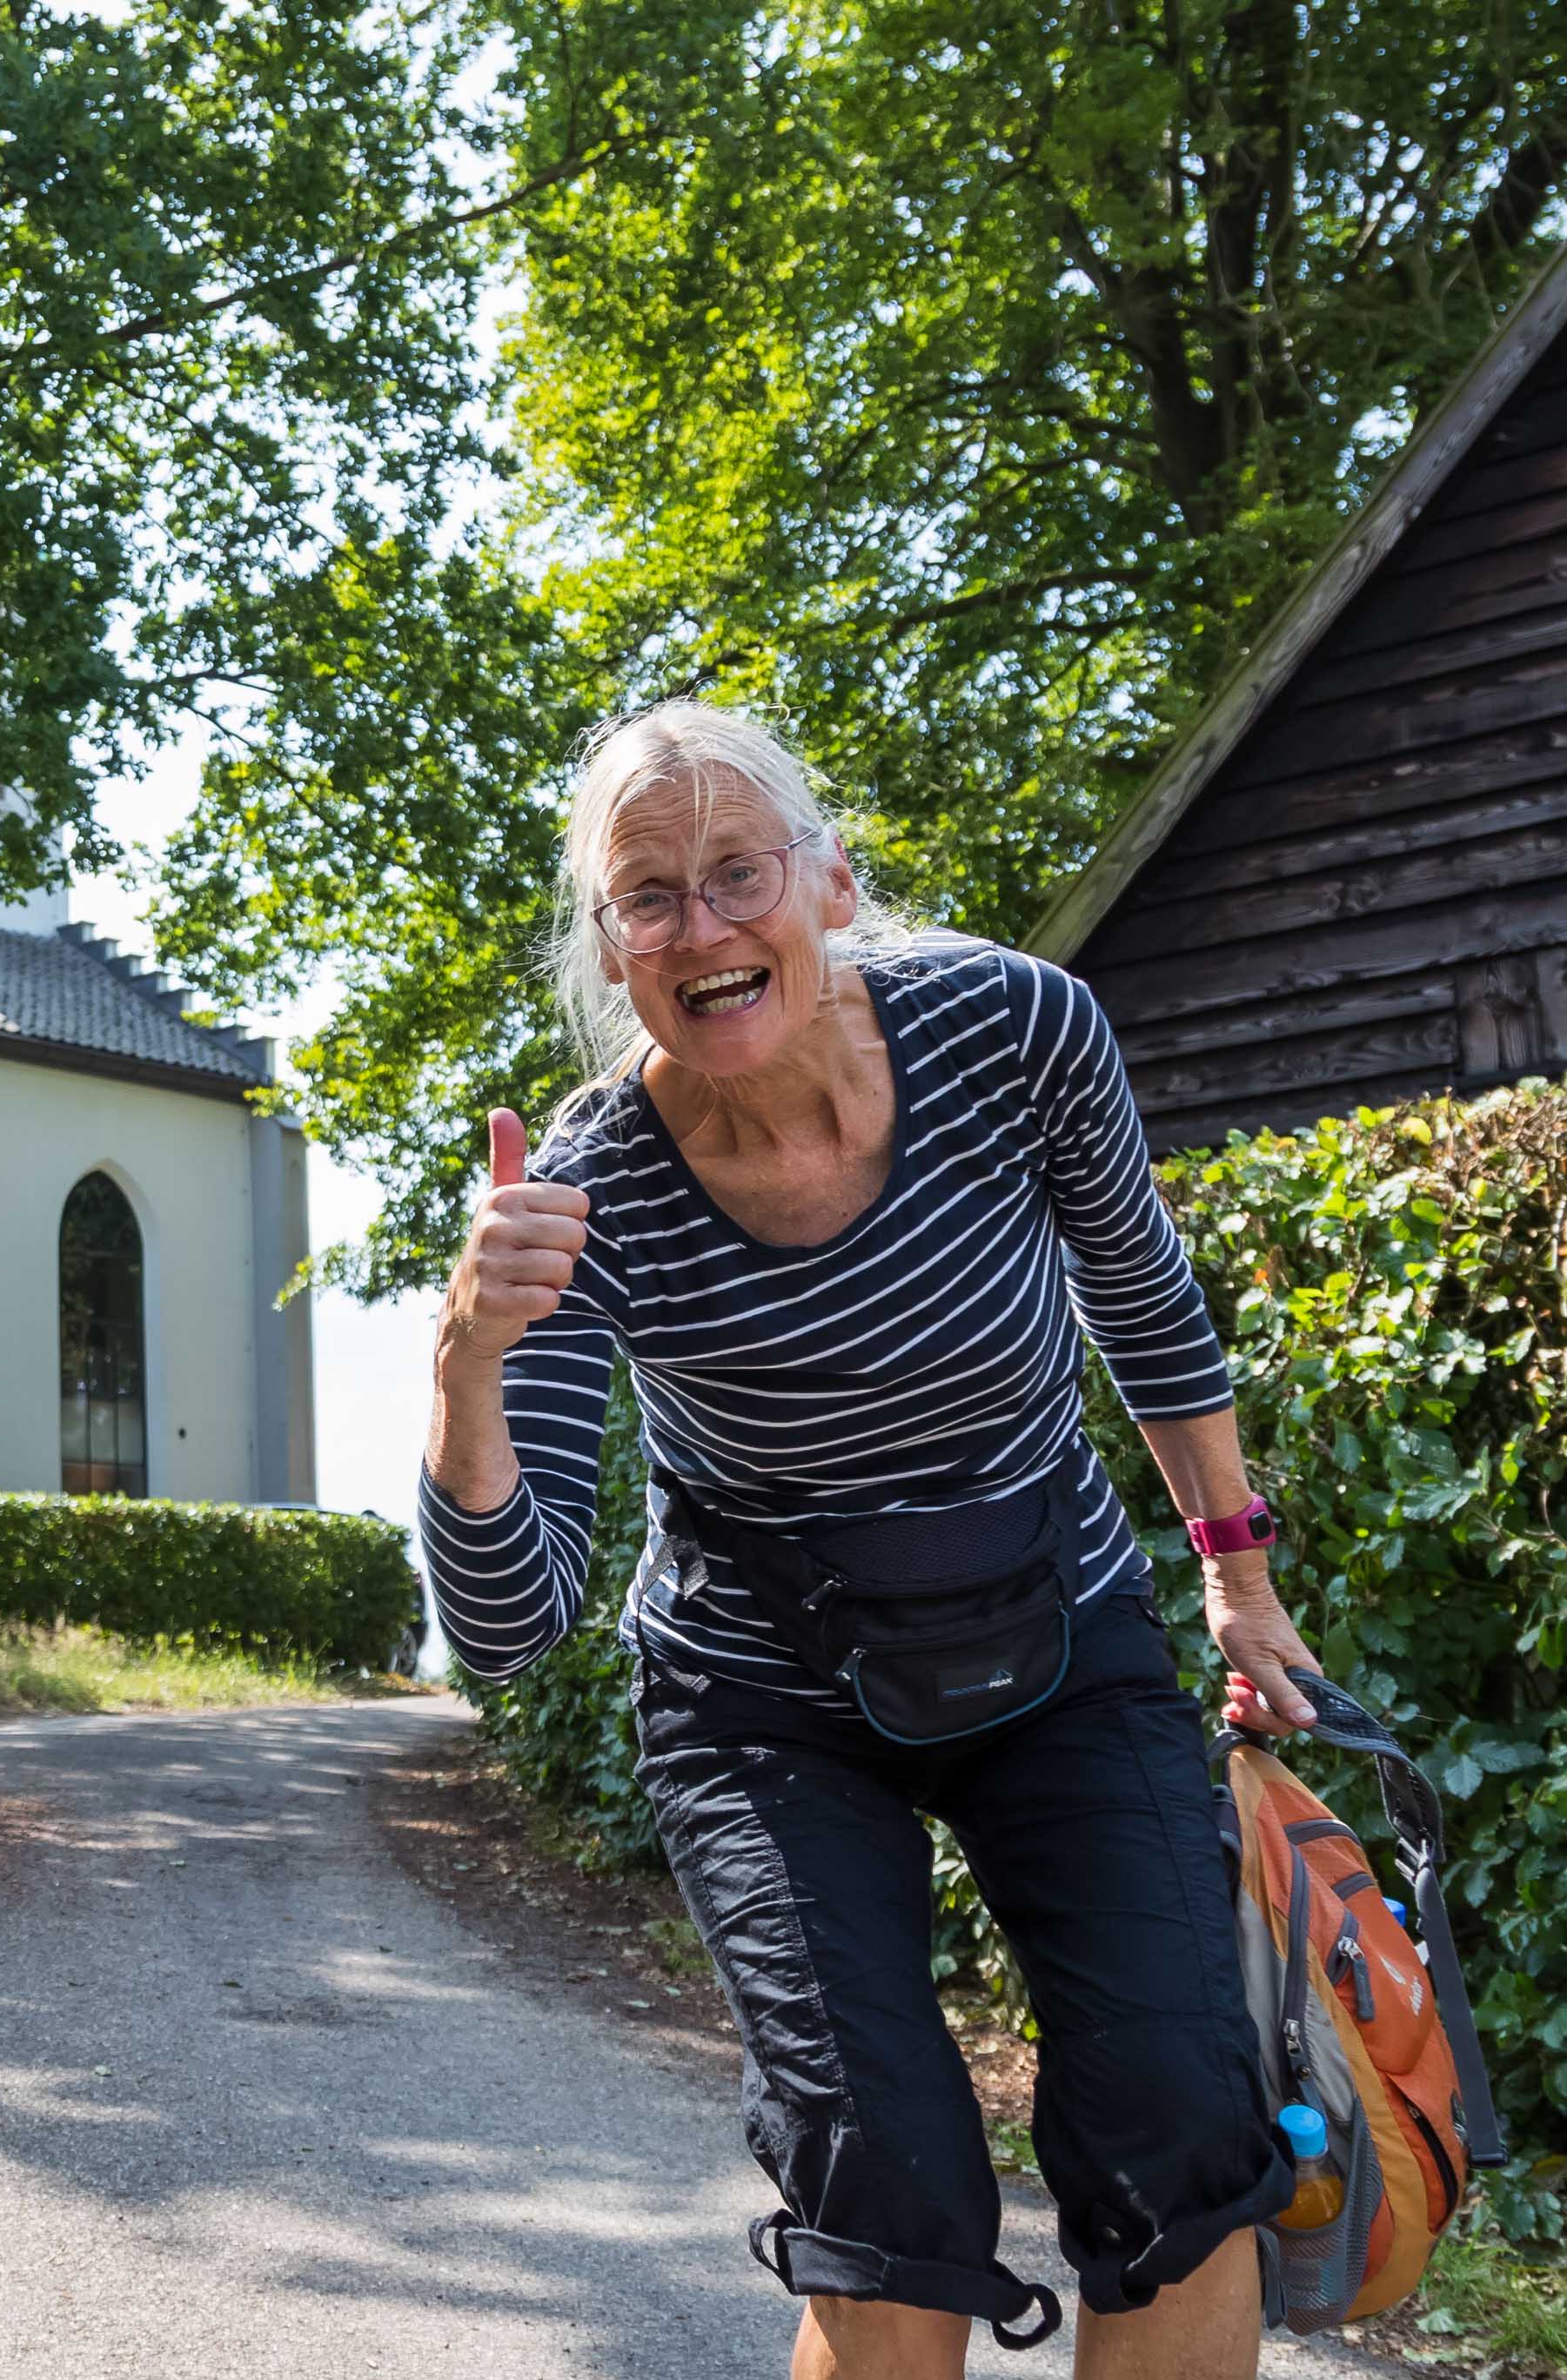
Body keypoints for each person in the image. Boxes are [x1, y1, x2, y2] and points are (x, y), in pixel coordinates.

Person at [422, 699, 1323, 2380]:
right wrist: (468, 1363)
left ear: (828, 887)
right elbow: (508, 1617)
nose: (705, 929)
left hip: (1058, 1628)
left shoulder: (1018, 1029)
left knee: (1184, 2130)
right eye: (650, 900)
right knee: (886, 2176)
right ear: (614, 953)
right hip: (764, 1701)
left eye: (737, 873)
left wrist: (1237, 1574)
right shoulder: (585, 1184)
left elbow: (1142, 1300)